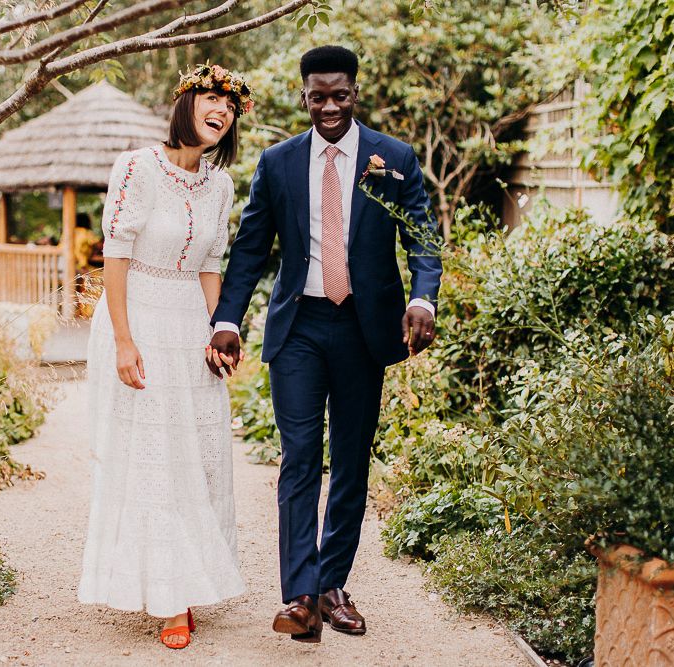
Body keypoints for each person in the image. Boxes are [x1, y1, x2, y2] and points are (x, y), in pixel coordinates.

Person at [207, 45, 442, 642]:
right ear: (303, 94)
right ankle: (301, 597)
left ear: (354, 93)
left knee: (352, 459)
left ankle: (334, 583)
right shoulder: (279, 163)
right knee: (300, 456)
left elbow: (420, 233)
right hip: (300, 328)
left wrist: (422, 298)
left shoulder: (394, 157)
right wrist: (226, 320)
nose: (330, 106)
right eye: (318, 96)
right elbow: (251, 250)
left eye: (340, 95)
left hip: (365, 329)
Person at [78, 64, 253, 650]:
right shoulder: (135, 167)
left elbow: (210, 265)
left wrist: (220, 332)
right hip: (139, 317)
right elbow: (116, 257)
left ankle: (185, 576)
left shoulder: (221, 184)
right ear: (186, 103)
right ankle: (168, 599)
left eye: (229, 108)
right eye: (212, 99)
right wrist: (125, 341)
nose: (221, 112)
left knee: (198, 457)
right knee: (153, 459)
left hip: (190, 324)